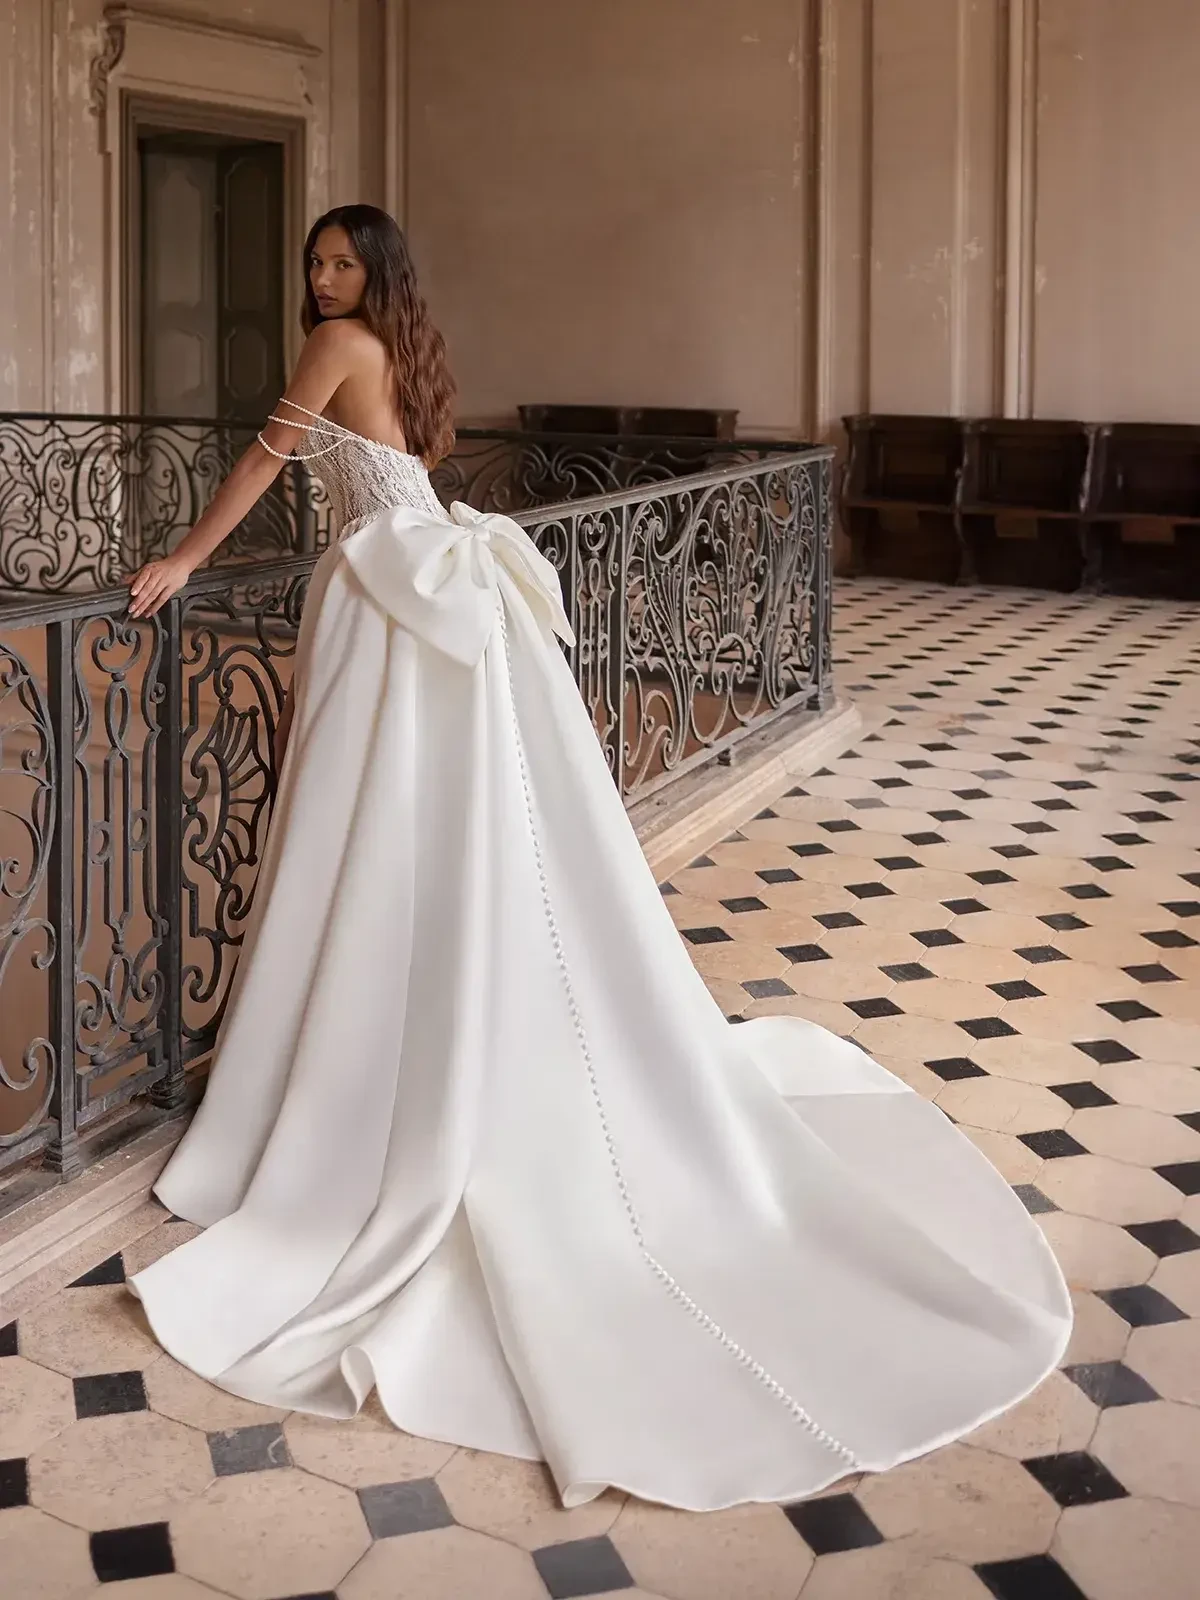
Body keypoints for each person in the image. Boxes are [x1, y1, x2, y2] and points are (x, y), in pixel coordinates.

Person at [125, 203, 1071, 1514]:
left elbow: (259, 465)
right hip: (410, 582)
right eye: (315, 261)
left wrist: (180, 556)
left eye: (340, 262)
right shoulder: (404, 343)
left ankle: (353, 1059)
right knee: (413, 826)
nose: (321, 278)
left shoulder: (336, 344)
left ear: (373, 276)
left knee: (374, 825)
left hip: (378, 592)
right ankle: (391, 1021)